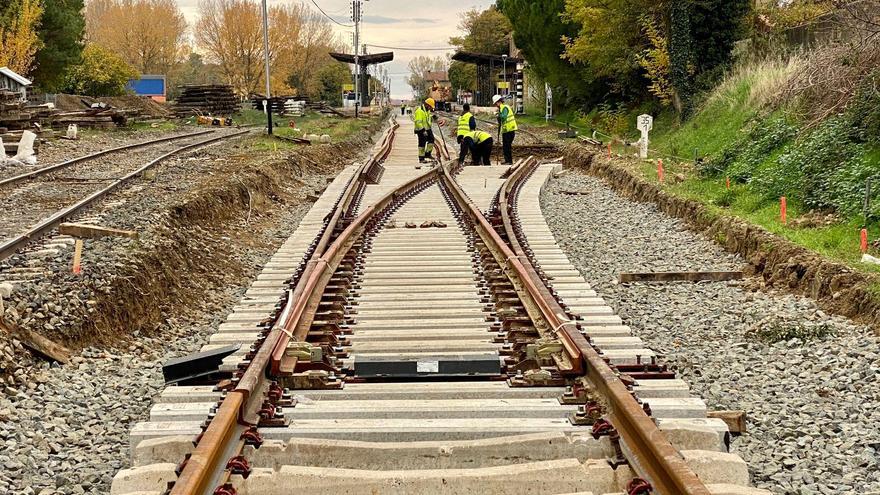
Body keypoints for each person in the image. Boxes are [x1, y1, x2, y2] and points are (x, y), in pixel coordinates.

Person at [492, 94, 517, 165]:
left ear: (498, 102)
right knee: (506, 146)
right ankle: (507, 160)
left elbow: (503, 117)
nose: (496, 105)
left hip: (509, 130)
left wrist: (498, 115)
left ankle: (509, 161)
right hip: (507, 130)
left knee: (507, 146)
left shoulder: (504, 108)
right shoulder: (502, 108)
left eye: (496, 103)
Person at [413, 98, 436, 162]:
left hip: (427, 128)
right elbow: (418, 122)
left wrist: (432, 117)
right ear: (427, 105)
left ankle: (427, 154)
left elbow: (427, 118)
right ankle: (421, 158)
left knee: (431, 140)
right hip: (420, 129)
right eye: (430, 107)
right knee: (422, 143)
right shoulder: (419, 111)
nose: (431, 108)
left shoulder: (426, 110)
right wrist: (423, 131)